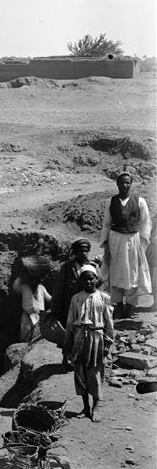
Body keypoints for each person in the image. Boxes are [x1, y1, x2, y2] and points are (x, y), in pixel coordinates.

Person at [63, 264, 113, 422]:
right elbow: (70, 322)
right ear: (81, 282)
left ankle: (95, 408)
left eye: (91, 279)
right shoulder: (75, 298)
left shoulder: (104, 298)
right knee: (80, 372)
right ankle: (85, 407)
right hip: (79, 337)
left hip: (97, 337)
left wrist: (107, 343)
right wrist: (67, 343)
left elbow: (109, 323)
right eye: (84, 280)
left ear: (96, 279)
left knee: (95, 372)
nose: (88, 282)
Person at [99, 171, 152, 318]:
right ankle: (118, 306)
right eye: (122, 182)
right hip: (115, 240)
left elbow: (146, 222)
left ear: (131, 184)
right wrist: (105, 243)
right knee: (116, 272)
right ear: (117, 184)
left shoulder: (140, 201)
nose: (125, 185)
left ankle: (130, 306)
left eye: (127, 182)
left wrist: (142, 242)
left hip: (133, 240)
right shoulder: (111, 201)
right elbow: (106, 223)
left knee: (133, 273)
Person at [12, 256, 53, 342]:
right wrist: (23, 274)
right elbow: (15, 287)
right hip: (27, 315)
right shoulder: (24, 287)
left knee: (37, 334)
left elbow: (49, 299)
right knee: (25, 333)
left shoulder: (41, 288)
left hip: (39, 316)